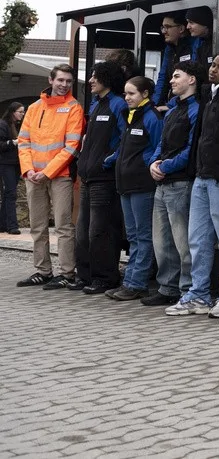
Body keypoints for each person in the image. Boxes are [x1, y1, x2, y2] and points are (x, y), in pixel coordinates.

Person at [166, 50, 219, 318]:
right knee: (198, 239)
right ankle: (199, 294)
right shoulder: (211, 97)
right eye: (213, 64)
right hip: (203, 178)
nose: (213, 70)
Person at [15, 64, 84, 288]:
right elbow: (23, 141)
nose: (64, 85)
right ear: (51, 80)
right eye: (60, 80)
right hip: (34, 175)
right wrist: (29, 170)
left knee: (63, 226)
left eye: (68, 81)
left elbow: (72, 147)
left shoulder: (74, 108)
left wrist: (46, 172)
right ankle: (43, 271)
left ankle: (67, 273)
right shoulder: (34, 108)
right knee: (37, 225)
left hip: (60, 176)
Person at [144, 61, 201, 307]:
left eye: (177, 76)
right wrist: (153, 163)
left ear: (192, 80)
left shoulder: (197, 110)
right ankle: (167, 287)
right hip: (163, 184)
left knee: (183, 241)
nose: (171, 80)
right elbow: (161, 143)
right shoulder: (172, 110)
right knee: (162, 241)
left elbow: (192, 149)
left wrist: (164, 166)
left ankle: (187, 289)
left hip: (181, 184)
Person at [73, 62, 129, 294]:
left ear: (107, 78)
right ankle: (85, 275)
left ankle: (105, 278)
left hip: (104, 179)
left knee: (100, 230)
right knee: (82, 231)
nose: (91, 80)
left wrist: (108, 160)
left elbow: (126, 139)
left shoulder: (118, 104)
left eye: (95, 76)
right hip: (88, 177)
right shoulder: (96, 104)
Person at [107, 76, 162, 300]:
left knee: (142, 235)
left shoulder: (152, 117)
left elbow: (158, 147)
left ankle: (137, 283)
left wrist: (145, 164)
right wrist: (112, 159)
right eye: (125, 94)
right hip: (126, 184)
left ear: (145, 94)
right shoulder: (131, 116)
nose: (127, 98)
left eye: (131, 93)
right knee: (132, 236)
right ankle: (129, 281)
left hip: (142, 184)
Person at [0, 102, 25, 235]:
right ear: (12, 112)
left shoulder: (17, 125)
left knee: (8, 194)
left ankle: (3, 224)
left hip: (15, 163)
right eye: (20, 112)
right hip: (6, 163)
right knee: (11, 193)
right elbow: (1, 145)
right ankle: (12, 226)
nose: (22, 114)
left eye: (23, 112)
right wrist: (13, 142)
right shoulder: (3, 125)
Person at [155, 14, 187, 107]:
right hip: (173, 103)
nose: (164, 31)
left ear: (181, 28)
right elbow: (163, 78)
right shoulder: (169, 49)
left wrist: (172, 106)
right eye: (163, 27)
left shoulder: (194, 46)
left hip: (185, 104)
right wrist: (155, 105)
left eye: (168, 27)